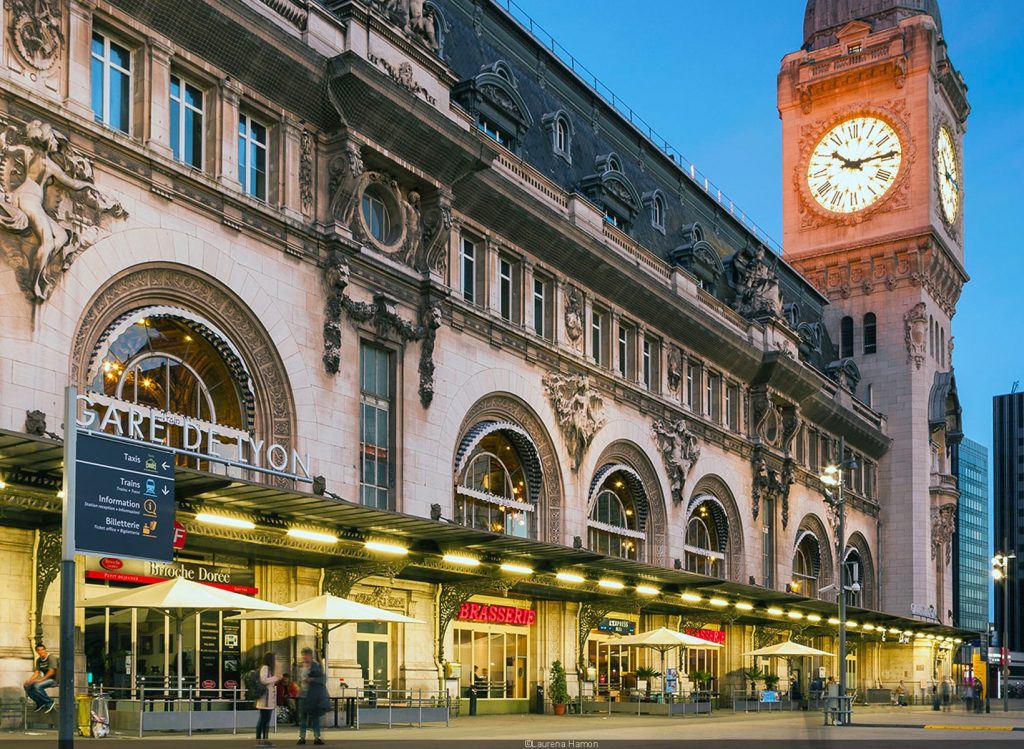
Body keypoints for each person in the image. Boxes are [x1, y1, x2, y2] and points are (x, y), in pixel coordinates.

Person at [297, 647, 327, 746]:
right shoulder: (301, 667)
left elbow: (323, 679)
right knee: (303, 718)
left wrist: (312, 679)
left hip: (313, 695)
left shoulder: (316, 666)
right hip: (303, 695)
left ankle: (317, 737)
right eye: (303, 656)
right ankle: (302, 738)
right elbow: (299, 680)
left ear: (310, 655)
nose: (304, 658)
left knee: (314, 717)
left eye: (306, 656)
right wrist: (298, 688)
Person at [255, 652, 282, 748]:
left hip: (269, 698)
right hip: (265, 699)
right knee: (263, 720)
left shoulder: (269, 669)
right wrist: (275, 678)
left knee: (266, 720)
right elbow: (264, 680)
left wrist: (276, 677)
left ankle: (265, 739)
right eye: (273, 659)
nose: (274, 661)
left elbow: (269, 680)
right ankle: (259, 740)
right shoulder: (265, 668)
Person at [23, 643, 57, 712]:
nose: (41, 651)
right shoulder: (39, 660)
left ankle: (49, 702)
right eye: (39, 650)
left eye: (42, 650)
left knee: (37, 686)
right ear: (37, 651)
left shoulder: (51, 657)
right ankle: (40, 703)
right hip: (47, 679)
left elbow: (52, 672)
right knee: (27, 686)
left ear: (45, 650)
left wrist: (41, 679)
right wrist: (30, 680)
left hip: (55, 679)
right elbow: (37, 672)